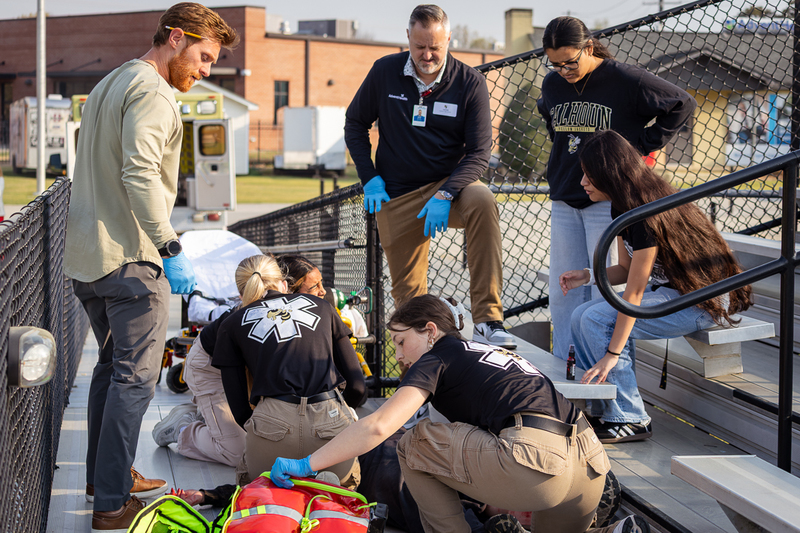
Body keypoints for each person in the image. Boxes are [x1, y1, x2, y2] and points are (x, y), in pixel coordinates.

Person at [63, 4, 238, 531]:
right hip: (132, 262)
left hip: (88, 261)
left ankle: (103, 478)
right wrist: (170, 248)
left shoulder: (110, 82)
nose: (207, 70)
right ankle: (111, 506)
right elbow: (139, 172)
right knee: (135, 381)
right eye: (204, 57)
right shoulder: (157, 94)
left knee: (109, 370)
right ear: (175, 38)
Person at [270, 294, 651, 533]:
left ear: (431, 330)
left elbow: (380, 425)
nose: (399, 356)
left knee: (413, 442)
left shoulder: (439, 356)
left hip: (537, 466)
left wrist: (308, 463)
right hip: (588, 468)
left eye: (402, 341)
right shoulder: (494, 355)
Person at [558, 130, 752, 443]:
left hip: (700, 301)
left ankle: (630, 417)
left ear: (611, 174)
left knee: (597, 319)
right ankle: (600, 406)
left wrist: (611, 354)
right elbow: (624, 268)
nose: (583, 182)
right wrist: (587, 275)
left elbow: (633, 295)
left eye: (590, 175)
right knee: (582, 314)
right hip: (669, 292)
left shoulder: (646, 214)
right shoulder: (622, 207)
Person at [344, 4, 516, 349]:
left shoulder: (469, 82)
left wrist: (447, 192)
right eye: (420, 46)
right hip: (397, 193)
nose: (427, 55)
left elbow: (480, 152)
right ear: (408, 37)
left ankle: (488, 320)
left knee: (482, 200)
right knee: (409, 301)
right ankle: (422, 373)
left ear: (449, 39)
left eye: (435, 47)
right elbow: (354, 124)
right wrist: (370, 177)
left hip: (448, 187)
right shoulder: (385, 72)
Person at [538, 16, 697, 361]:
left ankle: (605, 378)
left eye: (570, 62)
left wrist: (642, 144)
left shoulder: (625, 78)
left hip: (607, 199)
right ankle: (567, 373)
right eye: (554, 64)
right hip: (566, 195)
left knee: (604, 295)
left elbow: (682, 103)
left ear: (589, 47)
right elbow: (552, 122)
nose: (563, 70)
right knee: (563, 291)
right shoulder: (552, 85)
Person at [212, 254, 367, 487]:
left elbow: (240, 411)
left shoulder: (232, 323)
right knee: (344, 484)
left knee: (260, 487)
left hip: (271, 428)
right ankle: (327, 487)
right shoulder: (323, 307)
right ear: (283, 283)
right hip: (329, 422)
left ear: (241, 291)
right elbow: (357, 386)